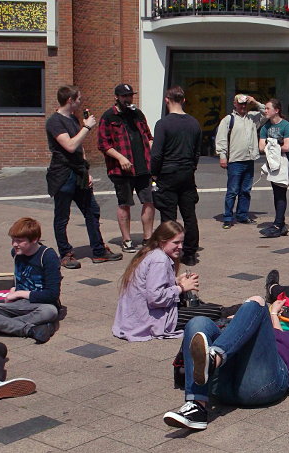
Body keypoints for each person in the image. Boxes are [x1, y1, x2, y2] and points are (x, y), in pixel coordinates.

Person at [162, 296, 289, 430]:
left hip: (263, 385)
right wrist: (273, 313)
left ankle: (214, 358)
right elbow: (275, 331)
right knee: (198, 323)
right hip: (224, 387)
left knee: (257, 301)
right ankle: (197, 406)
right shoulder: (279, 334)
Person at [45, 85, 123, 269]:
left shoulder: (72, 118)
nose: (81, 102)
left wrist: (86, 171)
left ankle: (98, 251)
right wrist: (87, 127)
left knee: (92, 210)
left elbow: (79, 148)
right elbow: (70, 146)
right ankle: (65, 254)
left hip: (79, 173)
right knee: (62, 216)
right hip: (63, 174)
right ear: (70, 100)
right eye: (79, 99)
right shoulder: (54, 122)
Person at [112, 221, 228, 341]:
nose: (181, 246)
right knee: (215, 311)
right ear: (162, 241)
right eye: (176, 242)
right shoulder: (160, 260)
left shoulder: (152, 253)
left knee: (204, 307)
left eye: (182, 242)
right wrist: (181, 287)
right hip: (151, 319)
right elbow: (155, 298)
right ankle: (243, 310)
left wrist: (176, 281)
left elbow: (151, 285)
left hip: (138, 317)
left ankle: (238, 311)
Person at [97, 83, 155, 253]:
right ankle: (127, 240)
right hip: (121, 170)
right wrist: (121, 157)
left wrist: (153, 156)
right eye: (124, 96)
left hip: (143, 166)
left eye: (130, 95)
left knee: (149, 201)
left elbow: (148, 136)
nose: (128, 99)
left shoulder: (137, 114)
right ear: (116, 97)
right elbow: (103, 144)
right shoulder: (109, 117)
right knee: (124, 204)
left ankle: (148, 238)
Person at [150, 86, 202, 266]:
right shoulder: (194, 123)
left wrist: (154, 173)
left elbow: (156, 153)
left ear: (167, 100)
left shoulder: (163, 124)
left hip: (167, 172)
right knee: (189, 215)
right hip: (187, 173)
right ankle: (190, 253)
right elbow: (197, 152)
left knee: (168, 215)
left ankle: (169, 250)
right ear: (184, 100)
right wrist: (191, 167)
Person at [0, 218, 61, 343]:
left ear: (34, 240)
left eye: (19, 241)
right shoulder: (16, 253)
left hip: (39, 304)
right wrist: (13, 289)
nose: (14, 244)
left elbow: (52, 294)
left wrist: (19, 293)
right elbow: (19, 277)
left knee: (50, 312)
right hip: (17, 304)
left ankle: (2, 326)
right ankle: (31, 329)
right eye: (13, 240)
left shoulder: (48, 256)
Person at [215, 93, 266, 229]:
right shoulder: (228, 120)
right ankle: (227, 217)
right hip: (235, 161)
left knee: (246, 190)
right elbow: (221, 139)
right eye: (240, 104)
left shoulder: (253, 118)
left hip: (249, 160)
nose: (243, 106)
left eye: (245, 104)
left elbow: (266, 113)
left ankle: (242, 215)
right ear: (235, 104)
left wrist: (255, 102)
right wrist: (222, 156)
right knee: (232, 190)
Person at [258, 98, 289, 238]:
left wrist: (271, 144)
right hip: (272, 163)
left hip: (285, 163)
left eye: (267, 108)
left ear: (276, 110)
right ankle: (280, 223)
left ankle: (278, 225)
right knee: (276, 193)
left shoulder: (287, 126)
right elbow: (261, 147)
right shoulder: (265, 127)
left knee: (281, 192)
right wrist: (274, 144)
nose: (265, 111)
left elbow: (287, 147)